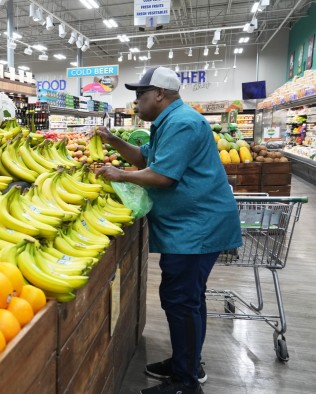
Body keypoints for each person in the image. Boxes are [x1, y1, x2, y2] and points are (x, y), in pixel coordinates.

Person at [94, 67, 242, 394]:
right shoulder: (167, 123)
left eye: (140, 95)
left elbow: (163, 177)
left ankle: (186, 382)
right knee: (188, 299)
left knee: (180, 299)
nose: (136, 102)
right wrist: (113, 140)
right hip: (191, 225)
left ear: (160, 94)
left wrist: (119, 175)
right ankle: (186, 362)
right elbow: (145, 158)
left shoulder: (183, 123)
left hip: (197, 228)